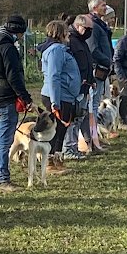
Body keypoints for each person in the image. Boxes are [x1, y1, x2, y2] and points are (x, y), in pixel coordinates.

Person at [0, 14, 32, 192]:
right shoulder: (8, 48)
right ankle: (3, 180)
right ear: (18, 32)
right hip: (6, 99)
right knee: (4, 143)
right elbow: (14, 77)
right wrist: (25, 98)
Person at [38, 20, 82, 161]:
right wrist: (55, 101)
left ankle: (57, 160)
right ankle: (51, 161)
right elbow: (54, 76)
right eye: (66, 31)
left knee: (61, 130)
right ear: (60, 33)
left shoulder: (59, 49)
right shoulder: (56, 50)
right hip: (59, 96)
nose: (69, 34)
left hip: (65, 95)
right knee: (56, 131)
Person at [67, 14, 101, 154]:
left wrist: (91, 80)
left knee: (82, 117)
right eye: (88, 28)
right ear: (79, 26)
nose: (90, 32)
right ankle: (70, 148)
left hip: (86, 86)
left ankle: (84, 144)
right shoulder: (71, 41)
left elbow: (86, 62)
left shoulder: (82, 41)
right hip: (76, 87)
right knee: (74, 119)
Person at [86, 0, 114, 141]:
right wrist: (108, 61)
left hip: (102, 69)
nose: (106, 7)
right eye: (103, 5)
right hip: (97, 70)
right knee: (93, 105)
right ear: (95, 8)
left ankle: (95, 137)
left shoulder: (100, 25)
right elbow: (93, 49)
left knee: (96, 104)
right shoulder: (92, 25)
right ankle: (91, 139)